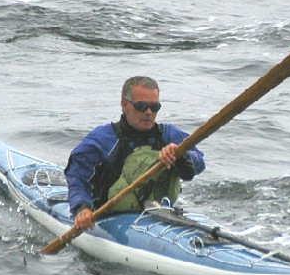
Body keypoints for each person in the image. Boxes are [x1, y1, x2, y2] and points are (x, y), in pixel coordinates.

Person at [65, 76, 205, 231]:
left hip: (160, 215)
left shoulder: (169, 135)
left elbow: (199, 163)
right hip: (110, 217)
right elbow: (77, 176)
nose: (149, 112)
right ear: (125, 105)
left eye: (155, 107)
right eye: (141, 106)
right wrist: (82, 207)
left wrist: (180, 155)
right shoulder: (102, 139)